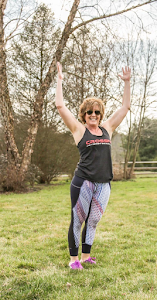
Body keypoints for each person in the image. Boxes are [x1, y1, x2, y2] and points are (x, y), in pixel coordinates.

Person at [55, 62, 131, 269]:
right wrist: (59, 81)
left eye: (97, 112)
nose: (93, 115)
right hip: (83, 183)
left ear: (101, 114)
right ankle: (73, 260)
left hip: (103, 184)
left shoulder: (107, 129)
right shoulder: (79, 130)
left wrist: (127, 83)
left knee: (94, 220)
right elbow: (60, 107)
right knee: (77, 221)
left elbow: (125, 108)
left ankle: (87, 255)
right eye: (89, 112)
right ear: (83, 114)